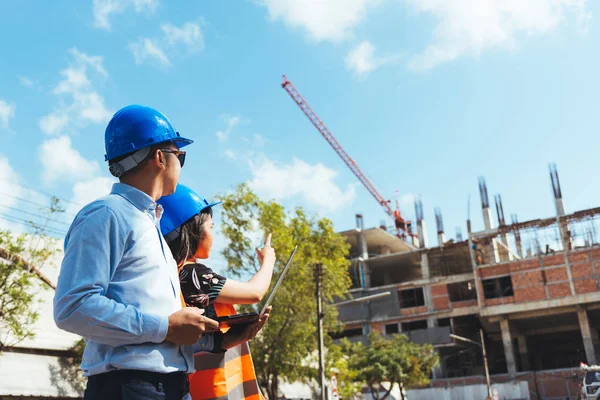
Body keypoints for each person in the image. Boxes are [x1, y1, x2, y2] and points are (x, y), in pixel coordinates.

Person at [53, 105, 219, 400]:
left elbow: (155, 333)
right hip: (129, 388)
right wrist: (165, 327)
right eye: (180, 155)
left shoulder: (148, 223)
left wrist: (213, 339)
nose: (181, 164)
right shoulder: (106, 214)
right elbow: (73, 307)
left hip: (169, 386)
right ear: (159, 157)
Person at [158, 184, 276, 400]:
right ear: (193, 231)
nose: (214, 233)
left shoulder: (174, 273)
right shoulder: (193, 275)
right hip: (211, 388)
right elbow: (254, 293)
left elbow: (242, 291)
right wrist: (268, 261)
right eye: (211, 227)